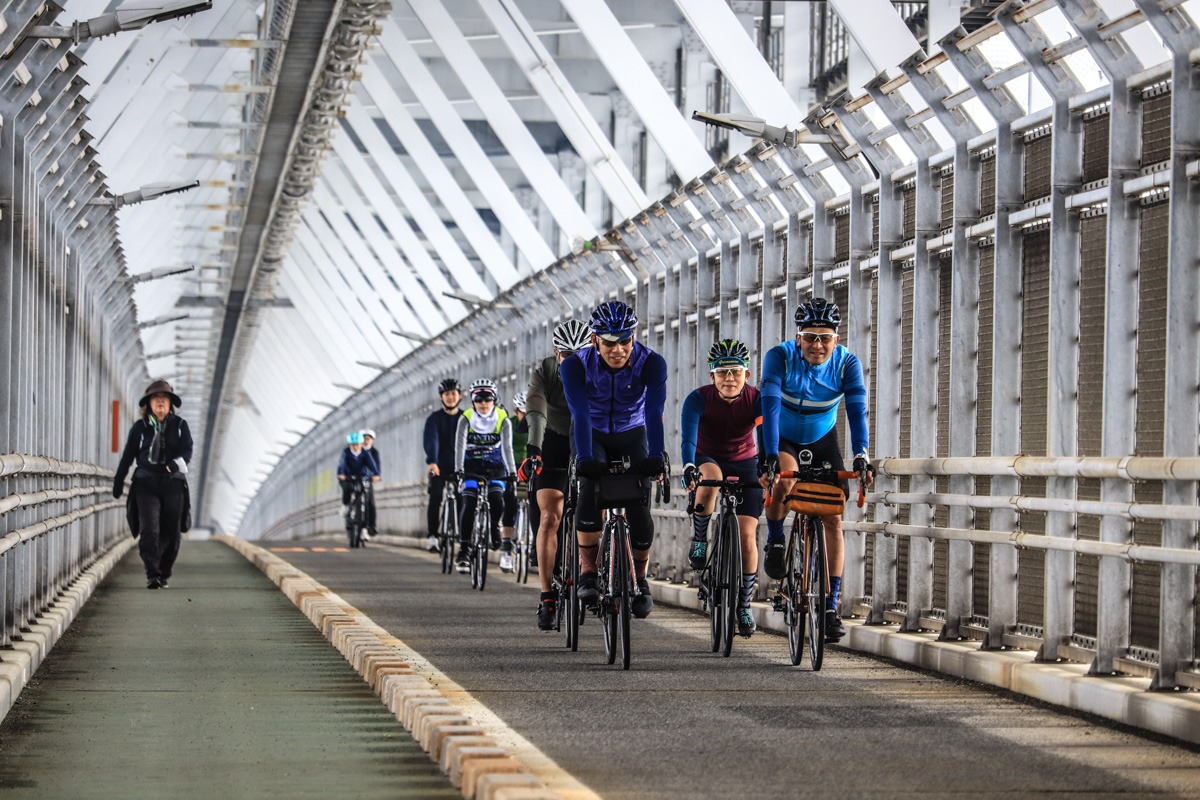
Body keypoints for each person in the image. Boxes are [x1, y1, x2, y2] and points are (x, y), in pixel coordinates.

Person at [758, 297, 874, 642]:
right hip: (783, 437)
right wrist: (768, 454)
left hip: (823, 440)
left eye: (825, 337)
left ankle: (829, 604)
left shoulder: (846, 364)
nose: (817, 345)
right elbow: (768, 405)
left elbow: (856, 411)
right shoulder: (779, 357)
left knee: (833, 517)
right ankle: (777, 540)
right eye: (810, 337)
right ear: (798, 337)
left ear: (836, 339)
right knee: (783, 481)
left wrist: (861, 454)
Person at [560, 301, 667, 618]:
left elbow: (653, 412)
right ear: (594, 340)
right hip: (590, 431)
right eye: (609, 342)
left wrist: (656, 455)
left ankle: (641, 580)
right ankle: (589, 572)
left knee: (638, 502)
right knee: (590, 487)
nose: (618, 349)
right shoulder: (575, 366)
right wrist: (585, 457)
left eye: (625, 340)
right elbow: (579, 412)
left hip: (632, 432)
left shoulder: (651, 364)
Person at [680, 340, 765, 637]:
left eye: (735, 372)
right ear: (711, 375)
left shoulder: (757, 399)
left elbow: (766, 433)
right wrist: (689, 465)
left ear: (747, 373)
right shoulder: (698, 399)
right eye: (722, 372)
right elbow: (688, 438)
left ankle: (744, 604)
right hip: (707, 456)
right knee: (709, 478)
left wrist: (768, 465)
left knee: (747, 535)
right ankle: (700, 540)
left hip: (745, 461)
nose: (729, 378)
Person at [519, 319, 591, 630]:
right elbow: (536, 408)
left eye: (581, 355)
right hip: (552, 439)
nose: (573, 362)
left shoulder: (602, 370)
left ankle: (599, 575)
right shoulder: (545, 371)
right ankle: (547, 595)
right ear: (556, 353)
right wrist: (533, 448)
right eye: (566, 355)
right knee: (550, 516)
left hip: (588, 438)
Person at [113, 379, 193, 590]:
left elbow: (187, 451)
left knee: (171, 532)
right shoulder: (140, 428)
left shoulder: (179, 426)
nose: (160, 404)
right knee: (149, 529)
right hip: (146, 483)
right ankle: (153, 574)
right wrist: (119, 481)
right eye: (156, 400)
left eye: (164, 400)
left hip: (172, 484)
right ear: (148, 404)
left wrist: (174, 466)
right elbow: (129, 455)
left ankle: (164, 571)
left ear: (170, 404)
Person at [453, 379, 517, 574]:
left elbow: (507, 447)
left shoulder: (503, 418)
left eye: (487, 399)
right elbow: (460, 446)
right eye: (478, 400)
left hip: (495, 467)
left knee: (497, 498)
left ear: (494, 400)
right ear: (473, 401)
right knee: (469, 502)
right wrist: (458, 469)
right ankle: (464, 550)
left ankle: (494, 528)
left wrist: (512, 472)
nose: (483, 403)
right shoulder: (465, 418)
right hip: (471, 467)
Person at [424, 378, 462, 552]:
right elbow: (432, 440)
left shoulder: (465, 417)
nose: (450, 397)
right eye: (447, 394)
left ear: (459, 396)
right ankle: (433, 536)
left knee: (465, 498)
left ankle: (464, 537)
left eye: (454, 394)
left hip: (460, 466)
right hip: (439, 465)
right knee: (436, 497)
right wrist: (432, 461)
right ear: (441, 397)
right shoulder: (434, 418)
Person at [498, 392, 529, 573]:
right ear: (515, 411)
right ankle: (507, 551)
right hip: (513, 469)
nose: (526, 417)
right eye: (523, 413)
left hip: (532, 468)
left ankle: (533, 546)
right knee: (510, 503)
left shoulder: (539, 424)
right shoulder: (509, 424)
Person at [338, 432, 380, 539]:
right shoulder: (346, 453)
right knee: (347, 489)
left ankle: (365, 526)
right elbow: (342, 464)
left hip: (362, 476)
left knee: (366, 497)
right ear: (349, 445)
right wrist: (341, 473)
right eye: (353, 445)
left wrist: (376, 474)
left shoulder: (365, 453)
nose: (356, 447)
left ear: (361, 444)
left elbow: (371, 464)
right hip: (349, 477)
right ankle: (346, 505)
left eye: (357, 444)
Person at [361, 428, 380, 536]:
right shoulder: (355, 451)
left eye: (368, 439)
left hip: (367, 479)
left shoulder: (374, 452)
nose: (366, 441)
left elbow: (377, 465)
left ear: (372, 440)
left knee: (370, 502)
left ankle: (371, 526)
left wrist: (376, 475)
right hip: (355, 478)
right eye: (364, 438)